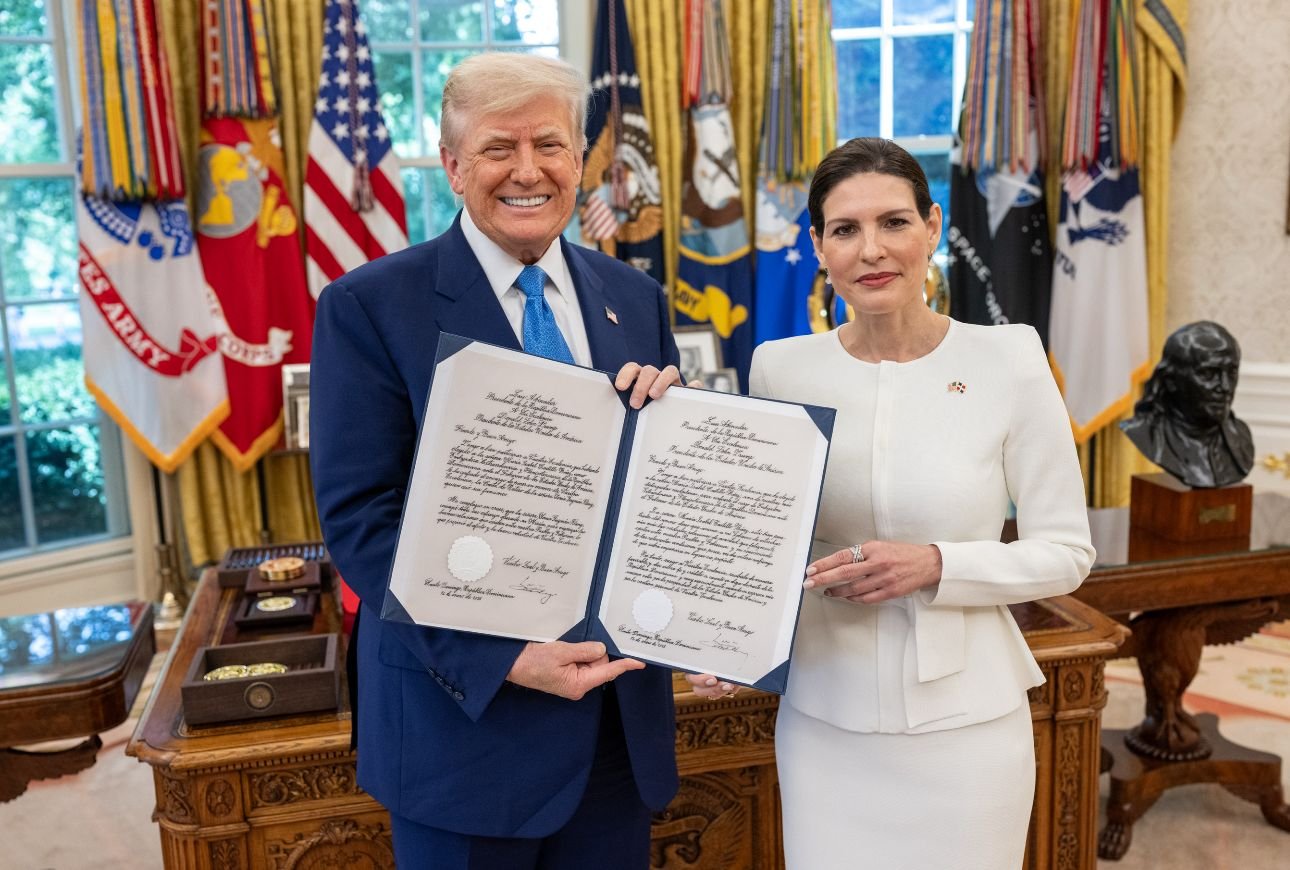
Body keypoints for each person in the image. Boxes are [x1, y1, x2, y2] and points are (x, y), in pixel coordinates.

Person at [310, 52, 683, 869]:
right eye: (496, 148)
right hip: (462, 735)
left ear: (578, 160)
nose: (527, 170)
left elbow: (652, 502)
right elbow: (362, 522)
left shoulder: (636, 299)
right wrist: (501, 659)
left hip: (617, 731)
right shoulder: (367, 307)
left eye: (549, 145)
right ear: (453, 166)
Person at [689, 137, 1095, 868]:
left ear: (932, 227)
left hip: (968, 725)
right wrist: (721, 634)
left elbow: (1066, 554)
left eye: (894, 222)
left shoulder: (1009, 358)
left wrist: (937, 564)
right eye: (845, 229)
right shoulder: (778, 368)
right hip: (824, 719)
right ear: (819, 246)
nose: (871, 249)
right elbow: (757, 542)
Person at [1119, 320, 1254, 488]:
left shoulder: (1241, 438)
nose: (1225, 387)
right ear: (1171, 380)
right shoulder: (1143, 433)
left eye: (1232, 373)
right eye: (1208, 374)